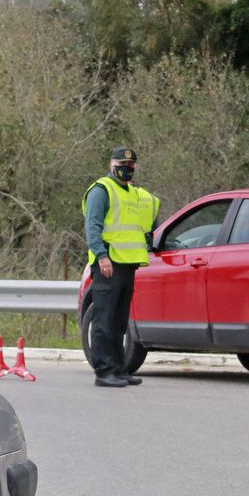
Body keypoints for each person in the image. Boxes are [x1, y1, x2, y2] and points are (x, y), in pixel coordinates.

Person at [82, 146, 160, 388]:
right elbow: (92, 228)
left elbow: (144, 224)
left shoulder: (134, 194)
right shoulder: (101, 190)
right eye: (121, 165)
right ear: (111, 163)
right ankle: (104, 372)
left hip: (128, 265)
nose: (126, 169)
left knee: (118, 321)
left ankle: (118, 368)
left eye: (130, 166)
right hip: (108, 264)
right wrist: (102, 256)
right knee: (104, 320)